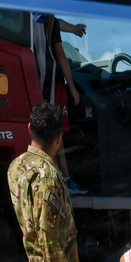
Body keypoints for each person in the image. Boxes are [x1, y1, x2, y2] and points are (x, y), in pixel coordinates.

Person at [7, 102, 84, 262]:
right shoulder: (48, 177)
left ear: (30, 128)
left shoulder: (16, 167)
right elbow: (49, 239)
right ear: (58, 139)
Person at [32, 13, 86, 195]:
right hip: (49, 80)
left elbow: (55, 23)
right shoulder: (44, 21)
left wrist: (72, 28)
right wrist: (72, 87)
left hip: (35, 81)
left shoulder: (25, 19)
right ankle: (64, 179)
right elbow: (60, 54)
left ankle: (59, 177)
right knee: (55, 129)